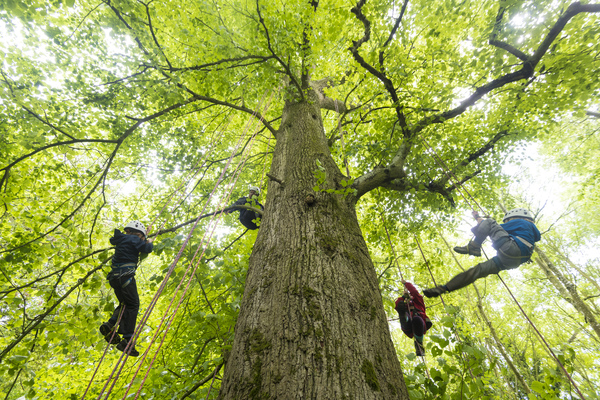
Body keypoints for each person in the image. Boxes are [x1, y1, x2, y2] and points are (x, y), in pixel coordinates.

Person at [424, 208, 541, 298]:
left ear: (516, 217)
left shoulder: (523, 222)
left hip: (511, 248)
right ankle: (444, 288)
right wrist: (481, 221)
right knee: (478, 270)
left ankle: (474, 246)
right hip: (514, 260)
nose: (509, 222)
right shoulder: (528, 231)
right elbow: (499, 230)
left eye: (509, 220)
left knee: (489, 222)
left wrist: (479, 219)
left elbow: (491, 225)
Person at [99, 220, 154, 357]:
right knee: (133, 305)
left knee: (125, 303)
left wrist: (144, 236)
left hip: (114, 278)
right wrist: (149, 241)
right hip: (126, 277)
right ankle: (127, 340)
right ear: (136, 233)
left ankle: (110, 324)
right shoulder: (134, 239)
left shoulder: (122, 239)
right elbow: (146, 249)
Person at [395, 280, 432, 357]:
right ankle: (404, 317)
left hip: (418, 323)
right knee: (401, 307)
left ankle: (419, 343)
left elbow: (414, 292)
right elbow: (396, 305)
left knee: (416, 319)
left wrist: (406, 284)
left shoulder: (419, 303)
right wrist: (403, 297)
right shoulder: (405, 306)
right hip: (408, 325)